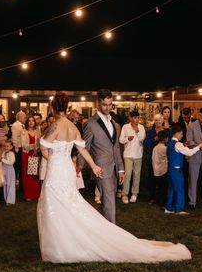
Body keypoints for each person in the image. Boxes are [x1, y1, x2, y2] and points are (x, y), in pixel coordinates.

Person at [37, 92, 191, 263]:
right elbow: (83, 148)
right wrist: (93, 166)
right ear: (66, 107)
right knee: (69, 204)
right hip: (67, 169)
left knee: (56, 205)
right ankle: (78, 240)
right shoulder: (74, 128)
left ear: (52, 108)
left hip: (58, 169)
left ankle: (70, 244)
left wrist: (54, 160)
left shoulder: (55, 126)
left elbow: (42, 146)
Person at [77, 89, 125, 224]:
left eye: (110, 104)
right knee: (110, 203)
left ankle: (98, 229)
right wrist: (79, 166)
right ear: (98, 103)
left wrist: (120, 168)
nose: (108, 108)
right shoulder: (90, 124)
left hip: (115, 168)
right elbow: (84, 147)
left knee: (108, 202)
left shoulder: (113, 122)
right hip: (101, 169)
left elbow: (115, 147)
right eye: (105, 104)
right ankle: (111, 237)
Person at [165, 124, 202, 214]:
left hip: (170, 169)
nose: (182, 135)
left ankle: (168, 208)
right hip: (176, 170)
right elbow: (189, 153)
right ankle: (178, 209)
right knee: (179, 189)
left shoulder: (170, 143)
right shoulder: (178, 144)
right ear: (177, 133)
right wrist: (198, 147)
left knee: (171, 188)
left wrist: (183, 145)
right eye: (181, 134)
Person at [119, 110, 146, 204]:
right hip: (128, 154)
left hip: (138, 154)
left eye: (137, 118)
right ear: (130, 118)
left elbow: (142, 139)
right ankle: (124, 194)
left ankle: (134, 193)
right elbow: (121, 140)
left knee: (137, 174)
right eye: (134, 118)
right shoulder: (125, 127)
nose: (136, 120)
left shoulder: (141, 127)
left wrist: (137, 132)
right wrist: (127, 138)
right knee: (127, 174)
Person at [21, 117, 41, 201]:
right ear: (27, 123)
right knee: (27, 175)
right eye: (29, 121)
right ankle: (28, 195)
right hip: (26, 154)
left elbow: (40, 142)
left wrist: (38, 148)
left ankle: (36, 194)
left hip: (35, 154)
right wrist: (34, 146)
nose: (31, 122)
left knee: (35, 174)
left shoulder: (38, 131)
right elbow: (23, 145)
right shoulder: (23, 132)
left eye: (33, 120)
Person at [151, 130, 169, 207]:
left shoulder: (155, 148)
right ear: (165, 139)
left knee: (159, 187)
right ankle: (162, 202)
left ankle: (158, 200)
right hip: (163, 170)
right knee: (163, 188)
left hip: (156, 170)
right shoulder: (164, 148)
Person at [1, 139, 16, 205]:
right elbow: (1, 160)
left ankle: (10, 200)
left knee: (10, 185)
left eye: (7, 146)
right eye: (5, 146)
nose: (6, 147)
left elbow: (11, 162)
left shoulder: (11, 154)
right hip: (4, 170)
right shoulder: (4, 153)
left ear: (11, 147)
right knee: (5, 185)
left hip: (10, 170)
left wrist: (2, 159)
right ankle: (6, 198)